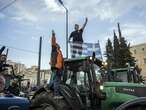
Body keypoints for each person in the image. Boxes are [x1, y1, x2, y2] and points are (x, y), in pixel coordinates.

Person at [50, 30, 64, 99]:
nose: (57, 44)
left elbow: (61, 61)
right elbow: (53, 42)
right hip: (55, 67)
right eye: (57, 44)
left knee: (57, 81)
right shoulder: (54, 49)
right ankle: (55, 94)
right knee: (56, 81)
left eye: (58, 44)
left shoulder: (60, 52)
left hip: (59, 68)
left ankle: (50, 88)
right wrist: (53, 35)